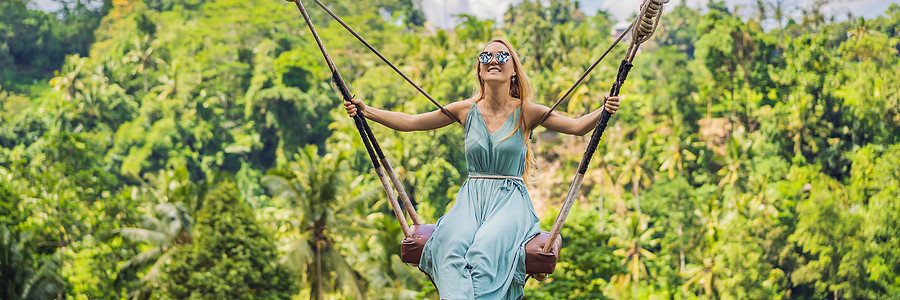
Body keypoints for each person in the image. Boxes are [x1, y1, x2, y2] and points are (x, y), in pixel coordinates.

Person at [344, 39, 620, 299]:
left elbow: (576, 127)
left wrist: (603, 110)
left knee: (485, 251)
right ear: (479, 69)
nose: (493, 61)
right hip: (472, 199)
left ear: (514, 71)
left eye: (502, 56)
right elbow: (411, 121)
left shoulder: (527, 111)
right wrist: (367, 112)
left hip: (509, 200)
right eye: (485, 56)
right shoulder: (465, 110)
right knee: (450, 248)